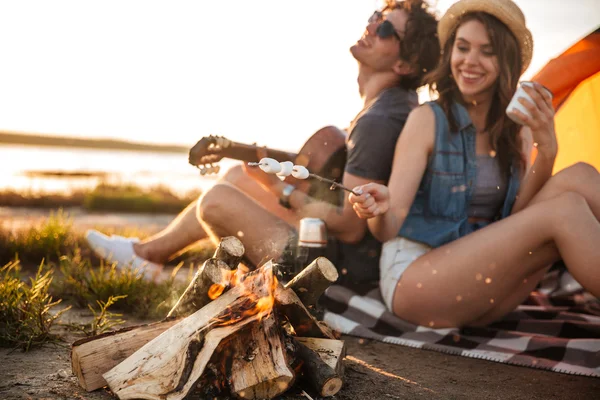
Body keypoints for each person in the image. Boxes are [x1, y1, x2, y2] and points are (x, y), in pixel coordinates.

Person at [86, 0, 440, 283]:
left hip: (333, 271)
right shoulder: (390, 108)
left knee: (216, 202)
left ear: (406, 66)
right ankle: (147, 255)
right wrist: (258, 159)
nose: (372, 25)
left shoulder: (379, 121)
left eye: (386, 28)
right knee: (239, 179)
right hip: (339, 253)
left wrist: (280, 189)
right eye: (376, 15)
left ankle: (159, 261)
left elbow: (349, 227)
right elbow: (334, 179)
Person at [348, 0, 600, 329]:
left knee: (580, 175)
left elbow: (518, 218)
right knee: (564, 210)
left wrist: (548, 149)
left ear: (506, 60)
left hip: (481, 283)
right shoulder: (428, 119)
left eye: (487, 51)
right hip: (417, 280)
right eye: (462, 47)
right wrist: (377, 211)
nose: (470, 61)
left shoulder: (517, 128)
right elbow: (389, 227)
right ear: (450, 52)